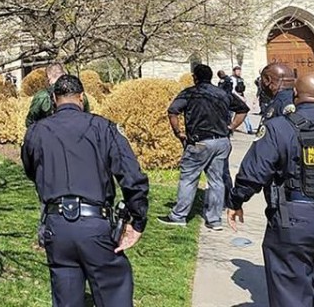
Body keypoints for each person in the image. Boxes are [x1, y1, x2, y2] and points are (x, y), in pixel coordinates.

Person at [21, 74, 149, 307]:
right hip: (95, 225)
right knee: (113, 292)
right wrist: (137, 220)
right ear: (81, 97)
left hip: (56, 225)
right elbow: (132, 177)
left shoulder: (37, 131)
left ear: (53, 98)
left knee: (66, 297)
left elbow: (30, 169)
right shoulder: (104, 128)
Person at [227, 71, 314, 305]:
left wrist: (236, 201)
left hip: (295, 219)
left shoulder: (280, 127)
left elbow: (254, 171)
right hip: (299, 216)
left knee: (289, 289)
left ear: (296, 94)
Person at [158, 63, 248, 230]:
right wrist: (232, 126)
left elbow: (173, 111)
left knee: (188, 178)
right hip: (221, 141)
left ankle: (179, 215)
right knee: (217, 181)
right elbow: (243, 109)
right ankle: (214, 220)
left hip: (199, 142)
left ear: (195, 77)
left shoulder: (190, 93)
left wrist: (178, 133)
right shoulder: (222, 93)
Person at [25, 63, 66, 127]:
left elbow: (30, 122)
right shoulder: (78, 94)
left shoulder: (42, 96)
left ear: (48, 77)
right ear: (64, 74)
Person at [231, 66, 253, 134]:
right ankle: (230, 128)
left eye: (239, 71)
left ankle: (249, 129)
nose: (239, 72)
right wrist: (240, 97)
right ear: (234, 71)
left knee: (244, 112)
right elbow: (233, 90)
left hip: (241, 96)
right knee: (231, 114)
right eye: (237, 71)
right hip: (234, 97)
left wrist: (243, 97)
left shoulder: (240, 79)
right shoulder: (232, 79)